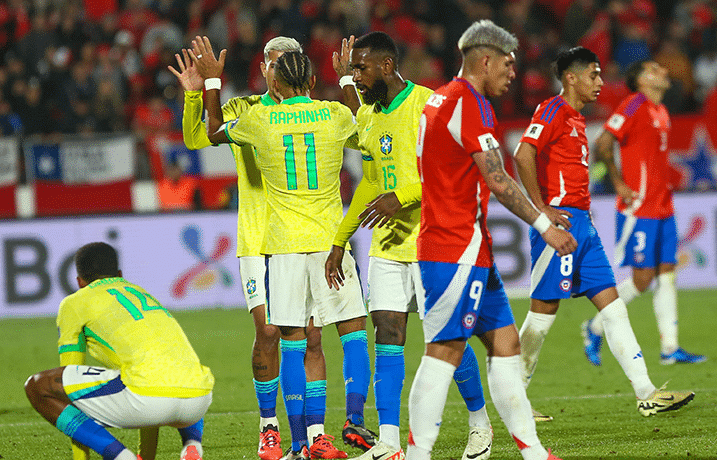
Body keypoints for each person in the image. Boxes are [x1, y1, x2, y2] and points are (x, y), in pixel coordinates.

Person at [193, 36, 370, 460]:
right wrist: (346, 76)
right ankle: (353, 421)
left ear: (274, 79)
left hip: (283, 248)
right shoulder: (332, 114)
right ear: (311, 78)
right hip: (332, 242)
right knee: (351, 333)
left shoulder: (259, 120)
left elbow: (214, 132)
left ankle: (295, 444)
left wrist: (213, 84)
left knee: (292, 342)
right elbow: (362, 123)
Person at [410, 20, 576, 460]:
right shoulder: (469, 102)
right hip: (453, 249)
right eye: (508, 63)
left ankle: (533, 451)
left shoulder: (439, 101)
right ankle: (416, 454)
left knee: (506, 344)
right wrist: (546, 226)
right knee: (444, 349)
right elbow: (499, 181)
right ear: (484, 60)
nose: (513, 72)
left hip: (470, 248)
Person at [325, 31, 493, 460]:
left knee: (445, 335)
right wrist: (340, 241)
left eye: (360, 69)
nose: (354, 76)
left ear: (386, 66)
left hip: (430, 241)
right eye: (352, 70)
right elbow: (371, 185)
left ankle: (479, 422)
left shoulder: (428, 106)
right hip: (386, 245)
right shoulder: (370, 117)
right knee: (387, 331)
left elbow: (450, 173)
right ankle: (390, 441)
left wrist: (400, 197)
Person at [514, 48, 695, 419]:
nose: (600, 83)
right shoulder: (552, 109)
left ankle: (646, 393)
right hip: (560, 226)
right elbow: (522, 153)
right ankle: (514, 399)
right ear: (571, 78)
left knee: (614, 310)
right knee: (542, 317)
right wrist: (540, 211)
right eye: (593, 75)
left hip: (585, 226)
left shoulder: (578, 120)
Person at [24, 242, 214, 460]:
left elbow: (70, 379)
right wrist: (147, 455)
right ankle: (192, 445)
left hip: (149, 400)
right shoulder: (142, 293)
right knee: (165, 371)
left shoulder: (74, 302)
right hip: (198, 401)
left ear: (80, 282)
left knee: (39, 386)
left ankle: (120, 456)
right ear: (120, 274)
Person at [580, 59, 707, 367]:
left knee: (667, 274)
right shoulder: (633, 104)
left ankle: (670, 348)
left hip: (664, 205)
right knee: (641, 279)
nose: (662, 70)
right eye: (653, 69)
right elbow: (603, 142)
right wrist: (618, 182)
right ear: (640, 81)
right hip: (639, 207)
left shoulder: (660, 111)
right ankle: (594, 327)